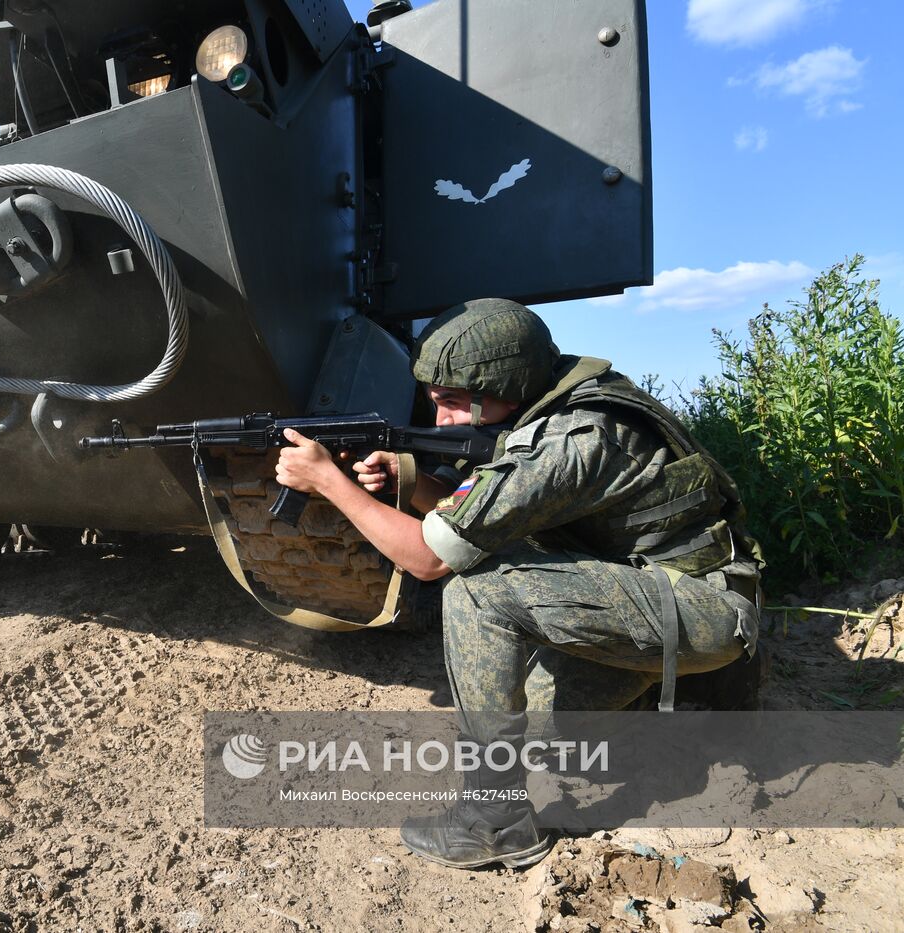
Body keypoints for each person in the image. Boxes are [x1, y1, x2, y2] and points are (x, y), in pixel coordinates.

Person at [274, 298, 762, 870]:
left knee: (474, 588)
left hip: (698, 615)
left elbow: (429, 560)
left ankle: (493, 820)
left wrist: (330, 482)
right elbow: (488, 508)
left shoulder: (571, 441)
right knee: (538, 732)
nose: (442, 422)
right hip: (666, 600)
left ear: (503, 385)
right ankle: (650, 705)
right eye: (436, 403)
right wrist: (407, 479)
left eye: (453, 404)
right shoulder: (561, 399)